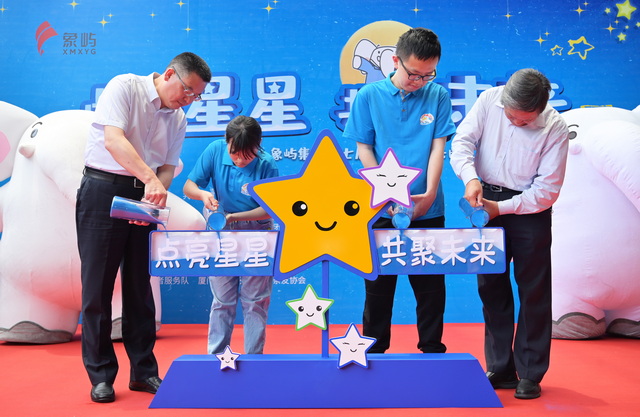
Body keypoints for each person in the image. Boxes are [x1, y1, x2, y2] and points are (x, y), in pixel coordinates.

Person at [76, 52, 211, 403]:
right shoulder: (125, 87)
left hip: (146, 197)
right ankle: (101, 375)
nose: (189, 100)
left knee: (140, 284)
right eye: (187, 90)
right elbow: (114, 140)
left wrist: (154, 196)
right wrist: (150, 180)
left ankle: (143, 371)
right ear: (169, 74)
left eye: (197, 96)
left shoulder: (178, 118)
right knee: (98, 286)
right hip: (104, 189)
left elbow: (167, 166)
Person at [450, 68, 569, 399]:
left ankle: (530, 372)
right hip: (483, 198)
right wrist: (470, 179)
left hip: (530, 210)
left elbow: (547, 190)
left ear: (540, 108)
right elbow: (462, 142)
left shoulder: (555, 127)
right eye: (510, 116)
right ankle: (500, 367)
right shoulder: (490, 100)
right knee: (490, 286)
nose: (515, 123)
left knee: (533, 290)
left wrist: (500, 208)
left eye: (524, 121)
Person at [343, 27, 456, 354]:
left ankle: (432, 352)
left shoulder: (438, 95)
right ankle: (374, 354)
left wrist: (430, 193)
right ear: (395, 61)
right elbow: (364, 149)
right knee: (378, 288)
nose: (419, 81)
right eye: (414, 73)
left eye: (428, 74)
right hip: (381, 207)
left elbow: (438, 148)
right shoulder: (368, 96)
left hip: (427, 206)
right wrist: (386, 191)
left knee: (431, 289)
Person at [183, 115, 279, 356]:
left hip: (257, 231)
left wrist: (235, 217)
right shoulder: (215, 150)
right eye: (235, 153)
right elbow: (189, 186)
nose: (239, 160)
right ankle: (217, 357)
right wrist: (203, 195)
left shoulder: (267, 164)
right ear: (227, 141)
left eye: (247, 155)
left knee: (255, 301)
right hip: (222, 231)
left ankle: (254, 359)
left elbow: (270, 208)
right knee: (222, 300)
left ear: (258, 145)